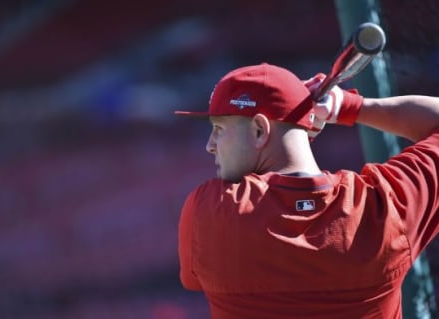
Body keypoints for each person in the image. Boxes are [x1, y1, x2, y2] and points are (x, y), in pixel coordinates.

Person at [174, 62, 439, 319]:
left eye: (218, 129)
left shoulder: (208, 212)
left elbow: (193, 279)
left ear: (259, 130)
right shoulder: (383, 207)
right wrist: (349, 106)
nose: (210, 145)